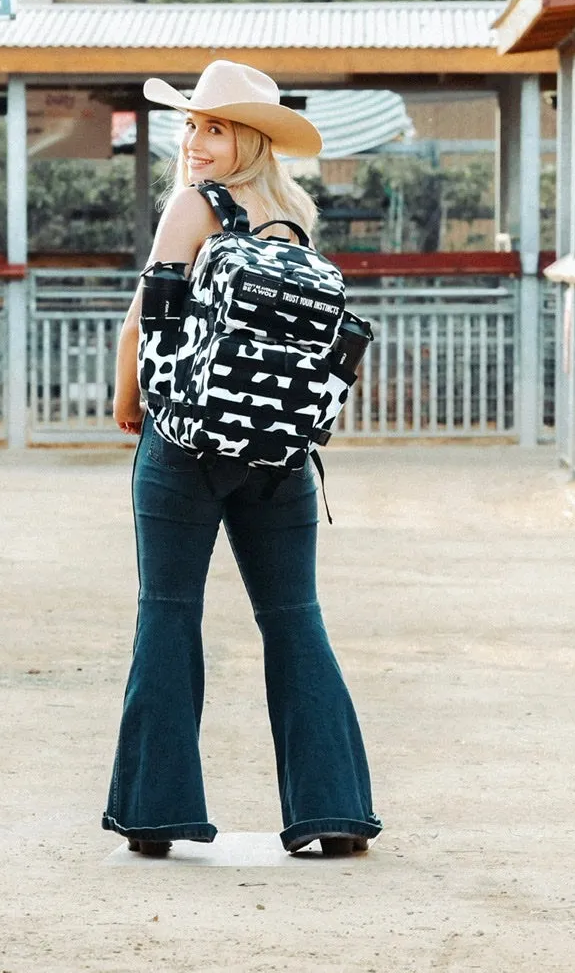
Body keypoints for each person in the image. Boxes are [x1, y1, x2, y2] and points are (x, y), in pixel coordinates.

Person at [104, 60, 382, 859]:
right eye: (191, 126)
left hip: (186, 443)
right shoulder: (293, 218)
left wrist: (130, 401)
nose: (195, 142)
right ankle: (334, 813)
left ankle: (156, 815)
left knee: (169, 613)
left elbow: (142, 320)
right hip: (281, 453)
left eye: (214, 128)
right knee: (294, 620)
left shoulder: (195, 208)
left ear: (250, 139)